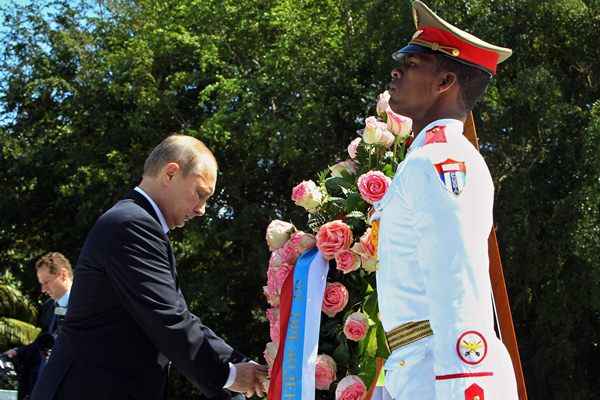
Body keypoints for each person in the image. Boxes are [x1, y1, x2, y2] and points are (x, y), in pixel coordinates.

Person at [31, 135, 266, 400]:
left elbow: (180, 317)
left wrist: (245, 365)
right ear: (170, 174)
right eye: (200, 194)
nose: (202, 210)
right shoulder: (132, 225)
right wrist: (230, 375)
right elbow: (168, 320)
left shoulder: (137, 223)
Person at [372, 1, 518, 399]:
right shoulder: (426, 158)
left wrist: (466, 388)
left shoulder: (440, 160)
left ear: (445, 81)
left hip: (445, 375)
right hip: (421, 370)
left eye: (413, 62)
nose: (396, 69)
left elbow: (460, 286)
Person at [4, 252, 73, 400]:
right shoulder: (49, 307)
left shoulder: (86, 304)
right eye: (41, 284)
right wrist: (19, 352)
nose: (43, 290)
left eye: (46, 282)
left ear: (63, 275)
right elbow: (43, 343)